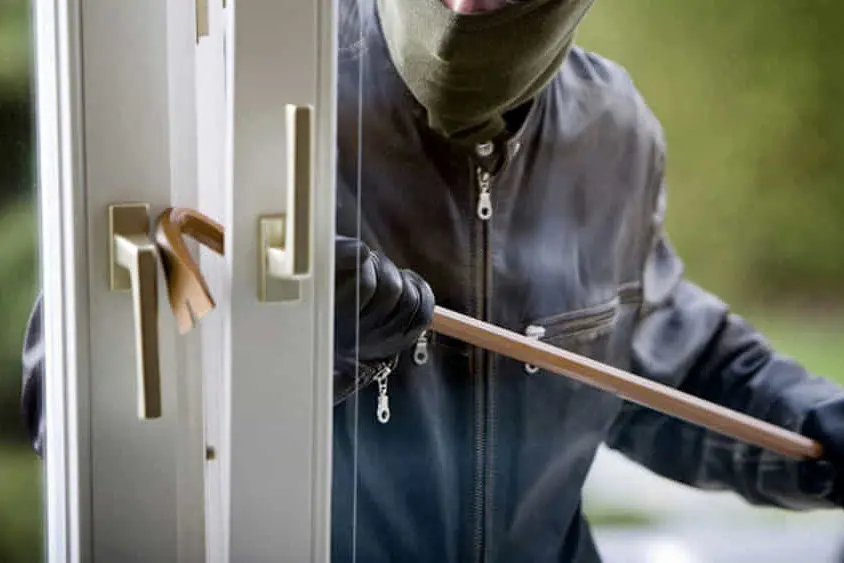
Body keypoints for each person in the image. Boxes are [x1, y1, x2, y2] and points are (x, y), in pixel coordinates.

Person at [22, 0, 844, 561]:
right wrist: (284, 353)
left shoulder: (615, 133)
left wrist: (816, 428)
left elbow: (661, 356)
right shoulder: (253, 96)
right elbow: (77, 402)